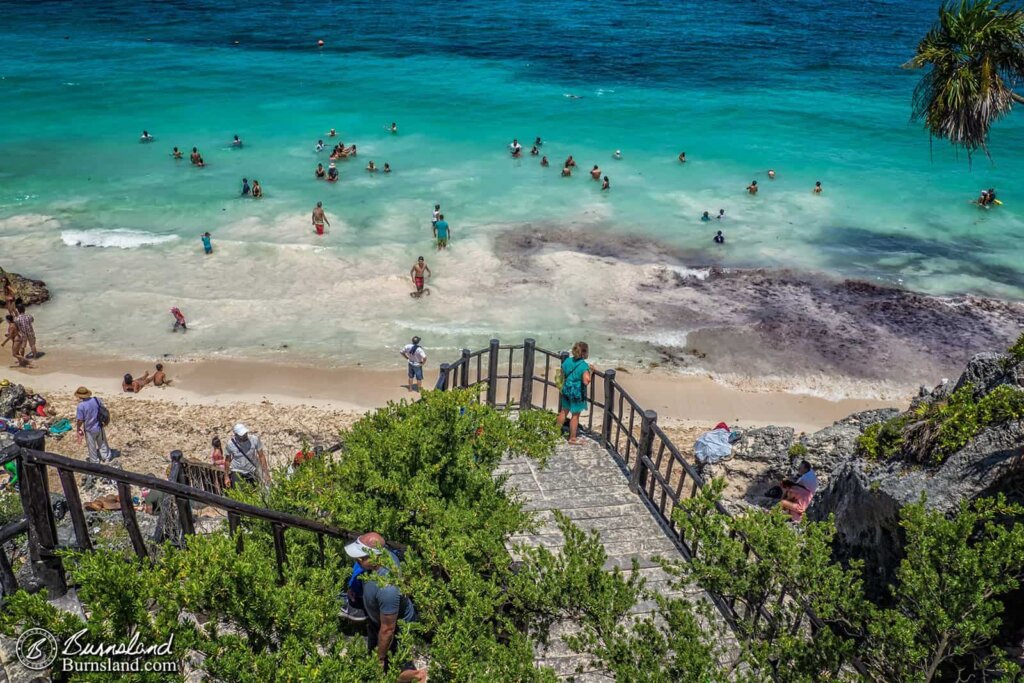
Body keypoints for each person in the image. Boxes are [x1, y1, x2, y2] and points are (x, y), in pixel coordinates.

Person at [344, 533, 427, 683]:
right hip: (377, 621)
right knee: (374, 661)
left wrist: (380, 658)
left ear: (375, 558)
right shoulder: (381, 557)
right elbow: (360, 568)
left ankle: (418, 676)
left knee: (395, 668)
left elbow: (388, 629)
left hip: (397, 629)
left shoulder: (388, 587)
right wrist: (353, 585)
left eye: (361, 557)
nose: (358, 560)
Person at [556, 342, 591, 445]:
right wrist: (591, 372)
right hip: (576, 393)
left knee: (564, 411)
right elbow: (586, 381)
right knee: (575, 416)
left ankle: (555, 432)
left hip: (566, 389)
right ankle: (572, 438)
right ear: (584, 353)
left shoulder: (567, 361)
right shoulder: (584, 366)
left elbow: (562, 374)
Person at [75, 387, 112, 464]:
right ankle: (106, 458)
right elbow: (103, 408)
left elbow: (80, 420)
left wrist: (78, 428)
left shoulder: (81, 406)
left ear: (79, 396)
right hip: (99, 425)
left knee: (92, 447)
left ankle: (95, 461)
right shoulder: (96, 399)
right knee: (102, 443)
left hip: (89, 429)